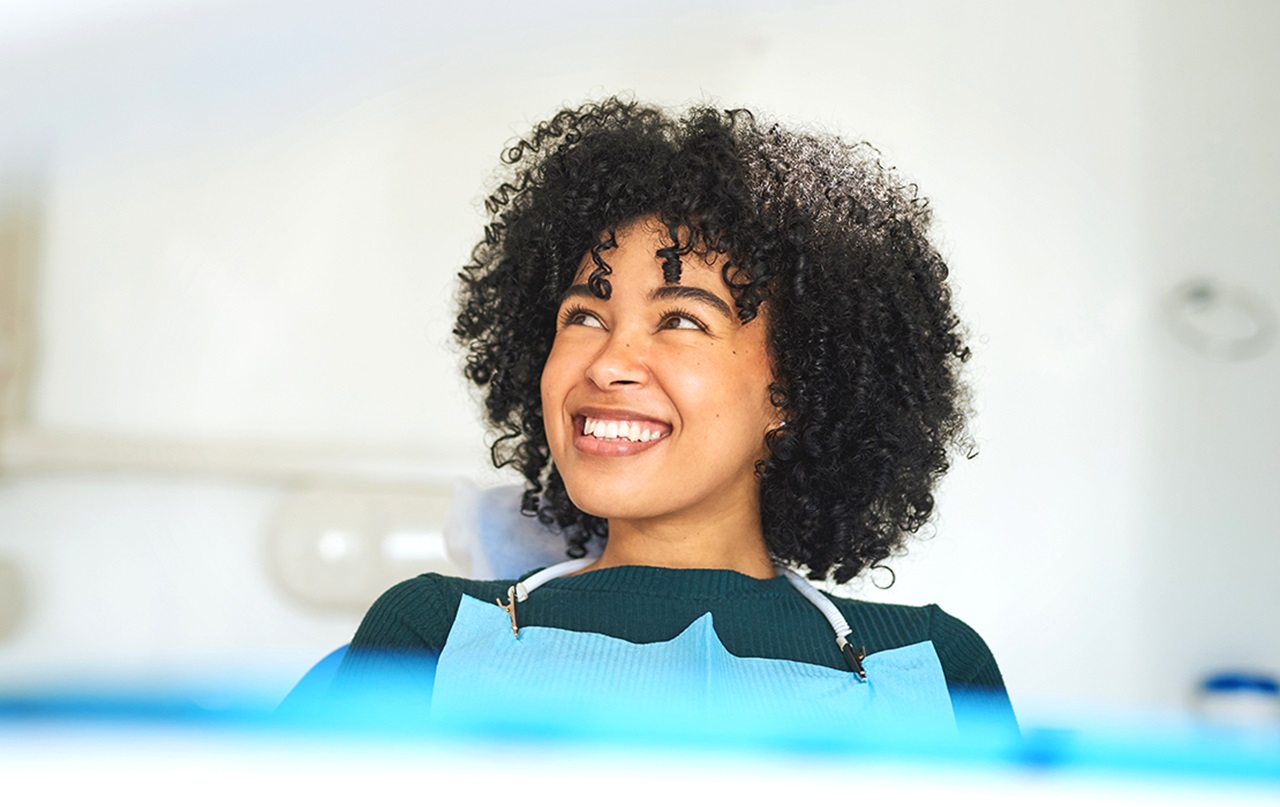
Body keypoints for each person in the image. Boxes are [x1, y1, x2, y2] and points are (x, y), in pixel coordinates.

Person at [305, 97, 1016, 739]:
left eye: (679, 319)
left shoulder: (933, 669)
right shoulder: (428, 633)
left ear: (794, 391)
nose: (608, 363)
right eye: (584, 314)